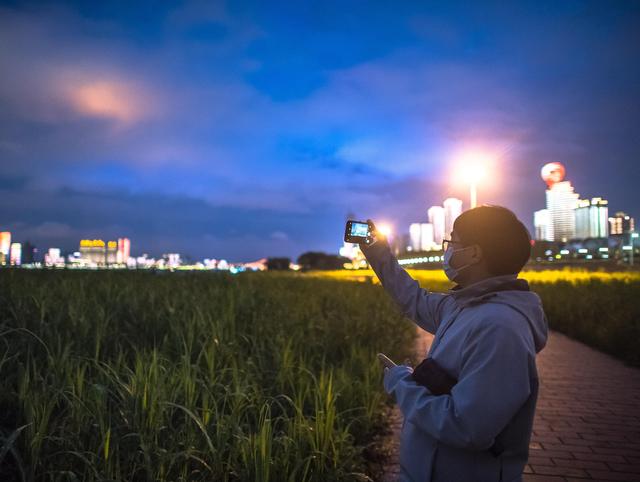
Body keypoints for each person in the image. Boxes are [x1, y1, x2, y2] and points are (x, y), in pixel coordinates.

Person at [360, 205, 548, 482]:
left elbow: (467, 427)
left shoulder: (499, 328)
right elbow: (412, 298)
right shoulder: (463, 307)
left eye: (452, 241)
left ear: (474, 253)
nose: (446, 250)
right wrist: (378, 251)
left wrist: (402, 384)